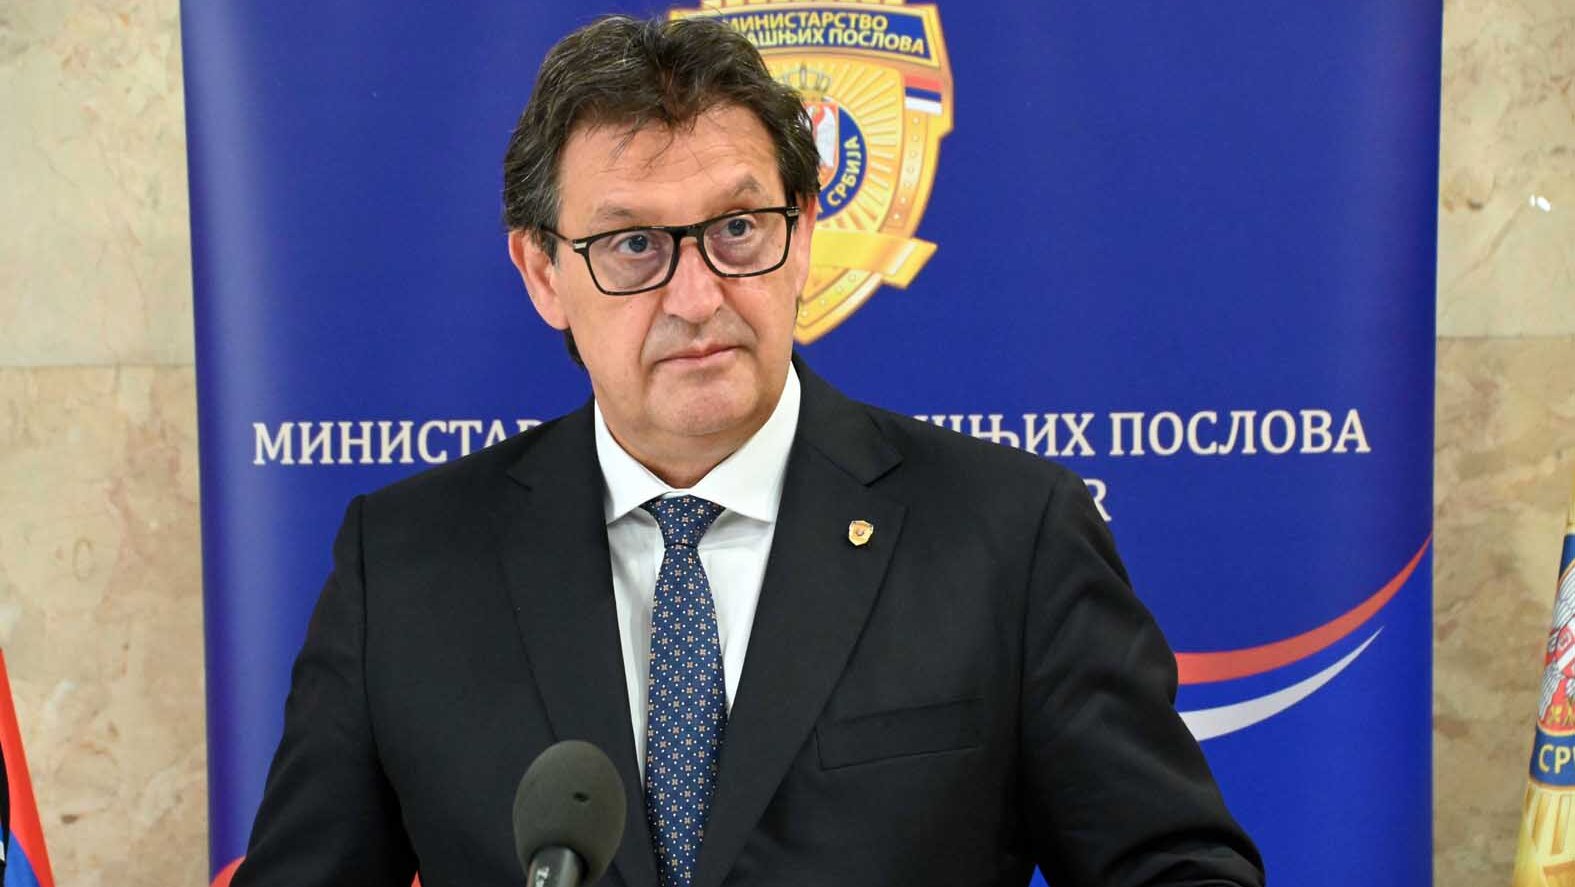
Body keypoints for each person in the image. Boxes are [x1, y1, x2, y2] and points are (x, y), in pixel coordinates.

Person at [232, 14, 1264, 887]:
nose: (696, 296)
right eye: (633, 244)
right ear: (543, 273)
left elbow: (1177, 868)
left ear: (803, 231)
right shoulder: (404, 565)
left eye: (737, 228)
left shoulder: (1007, 535)